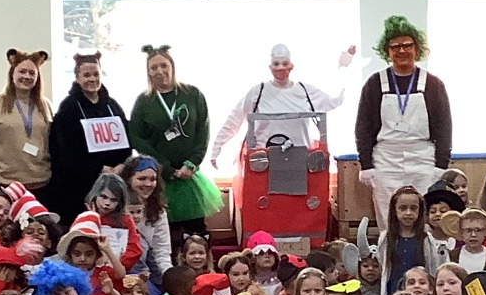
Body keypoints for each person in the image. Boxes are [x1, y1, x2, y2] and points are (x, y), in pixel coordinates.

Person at [354, 16, 452, 218]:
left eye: (407, 45)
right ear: (387, 52)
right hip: (386, 161)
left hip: (422, 159)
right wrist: (366, 165)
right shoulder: (374, 83)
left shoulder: (433, 84)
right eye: (395, 46)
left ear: (417, 48)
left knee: (424, 219)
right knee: (388, 219)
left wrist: (440, 164)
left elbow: (444, 127)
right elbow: (363, 127)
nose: (402, 51)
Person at [211, 43, 357, 170]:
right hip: (264, 165)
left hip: (301, 164)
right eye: (276, 64)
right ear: (270, 66)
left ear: (291, 65)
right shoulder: (258, 92)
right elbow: (234, 121)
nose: (281, 68)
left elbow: (336, 99)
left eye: (285, 63)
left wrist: (345, 65)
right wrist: (217, 147)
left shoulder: (306, 92)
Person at [127, 45, 219, 238]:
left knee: (196, 237)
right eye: (153, 68)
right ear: (148, 72)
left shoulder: (192, 94)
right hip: (160, 180)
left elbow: (203, 130)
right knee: (163, 235)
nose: (159, 71)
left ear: (172, 66)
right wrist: (165, 168)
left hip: (189, 177)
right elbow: (137, 137)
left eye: (163, 65)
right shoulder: (144, 101)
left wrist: (192, 162)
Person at [45, 52, 134, 220]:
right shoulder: (68, 108)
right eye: (86, 75)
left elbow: (127, 140)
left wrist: (122, 165)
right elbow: (65, 151)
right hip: (78, 188)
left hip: (112, 183)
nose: (92, 79)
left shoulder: (112, 105)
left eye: (96, 74)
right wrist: (98, 168)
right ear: (77, 78)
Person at [0, 47, 53, 195]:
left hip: (40, 184)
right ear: (12, 73)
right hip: (4, 184)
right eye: (22, 71)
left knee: (32, 220)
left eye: (32, 73)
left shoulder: (46, 106)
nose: (27, 76)